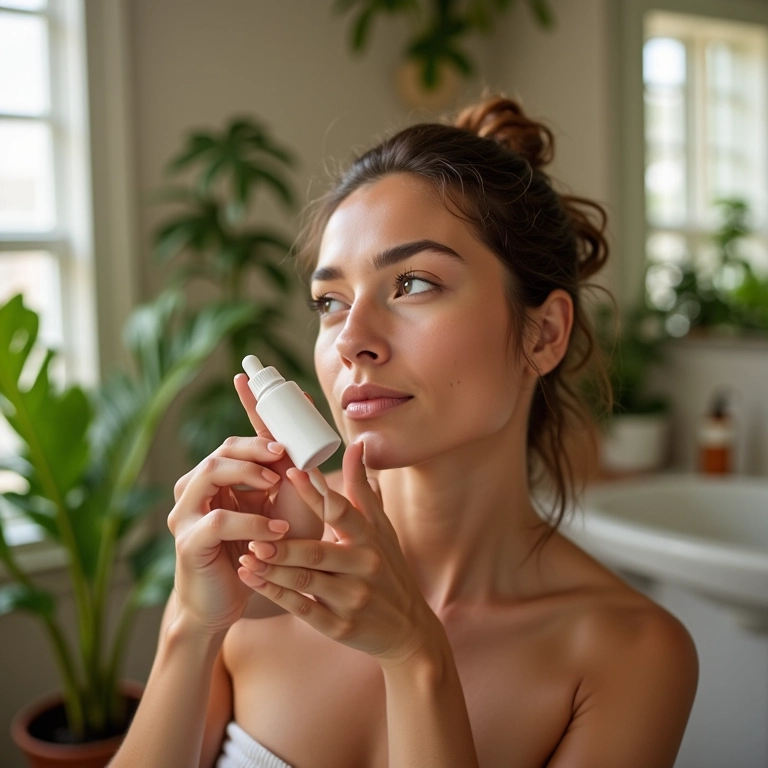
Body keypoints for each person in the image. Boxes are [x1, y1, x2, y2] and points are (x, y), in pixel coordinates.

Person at [110, 96, 698, 768]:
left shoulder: (631, 654)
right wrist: (192, 625)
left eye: (413, 283)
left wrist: (416, 658)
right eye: (331, 301)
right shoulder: (254, 565)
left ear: (544, 334)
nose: (352, 339)